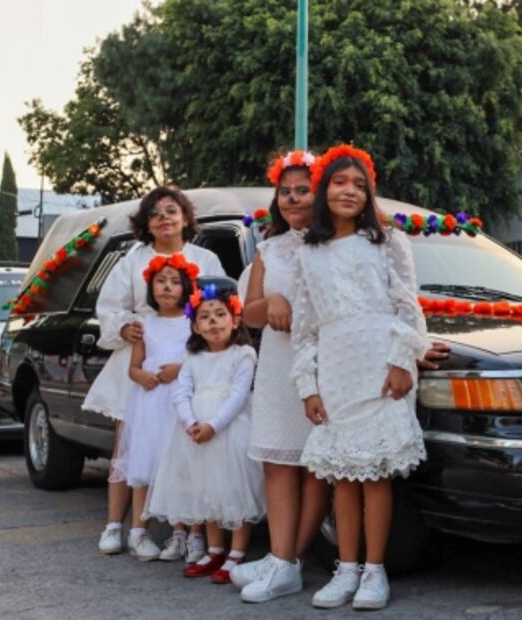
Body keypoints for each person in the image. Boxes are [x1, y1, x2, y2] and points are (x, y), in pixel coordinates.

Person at [290, 145, 429, 610]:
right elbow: (304, 327)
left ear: (369, 194)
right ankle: (345, 569)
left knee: (375, 477)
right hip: (335, 369)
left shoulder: (387, 241)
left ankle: (374, 571)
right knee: (342, 478)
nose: (348, 191)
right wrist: (307, 386)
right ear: (323, 191)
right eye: (338, 182)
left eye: (358, 184)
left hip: (379, 365)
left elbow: (408, 305)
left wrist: (401, 361)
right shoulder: (307, 253)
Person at [88, 186, 224, 561]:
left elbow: (222, 307)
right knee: (129, 447)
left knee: (180, 446)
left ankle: (181, 531)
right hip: (141, 361)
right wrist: (126, 327)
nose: (165, 218)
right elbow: (109, 307)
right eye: (156, 213)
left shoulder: (206, 258)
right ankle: (116, 525)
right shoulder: (134, 260)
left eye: (172, 210)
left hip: (188, 360)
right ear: (146, 223)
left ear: (185, 217)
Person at [232, 151, 331, 603]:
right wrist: (269, 303)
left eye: (302, 190)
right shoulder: (269, 248)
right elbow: (249, 313)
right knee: (277, 461)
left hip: (325, 362)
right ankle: (278, 556)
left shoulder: (336, 241)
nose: (292, 199)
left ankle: (289, 561)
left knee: (313, 466)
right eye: (285, 191)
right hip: (277, 363)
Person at [144, 279, 266, 584]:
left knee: (234, 492)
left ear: (235, 319)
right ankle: (214, 549)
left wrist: (214, 425)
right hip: (196, 434)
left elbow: (238, 397)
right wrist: (190, 423)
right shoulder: (193, 358)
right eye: (205, 317)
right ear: (195, 327)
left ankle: (236, 553)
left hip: (229, 432)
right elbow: (181, 393)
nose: (213, 322)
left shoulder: (243, 355)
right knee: (206, 492)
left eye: (220, 314)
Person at [111, 253, 197, 560]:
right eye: (161, 281)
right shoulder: (144, 325)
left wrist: (181, 368)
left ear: (186, 288)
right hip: (150, 404)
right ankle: (137, 531)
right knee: (143, 467)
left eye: (175, 282)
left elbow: (201, 359)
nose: (167, 287)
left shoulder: (193, 322)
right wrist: (142, 375)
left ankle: (180, 533)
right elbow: (133, 367)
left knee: (178, 468)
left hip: (179, 405)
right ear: (151, 288)